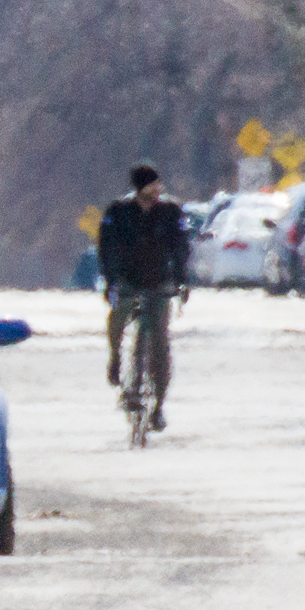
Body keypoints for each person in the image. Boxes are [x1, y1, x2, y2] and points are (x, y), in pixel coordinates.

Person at [97, 164, 188, 429]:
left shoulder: (170, 212)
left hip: (159, 282)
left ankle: (158, 405)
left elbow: (181, 248)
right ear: (140, 188)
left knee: (160, 342)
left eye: (159, 184)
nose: (158, 189)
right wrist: (111, 281)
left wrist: (182, 282)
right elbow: (107, 247)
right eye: (153, 184)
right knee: (119, 315)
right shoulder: (118, 212)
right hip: (127, 280)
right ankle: (115, 359)